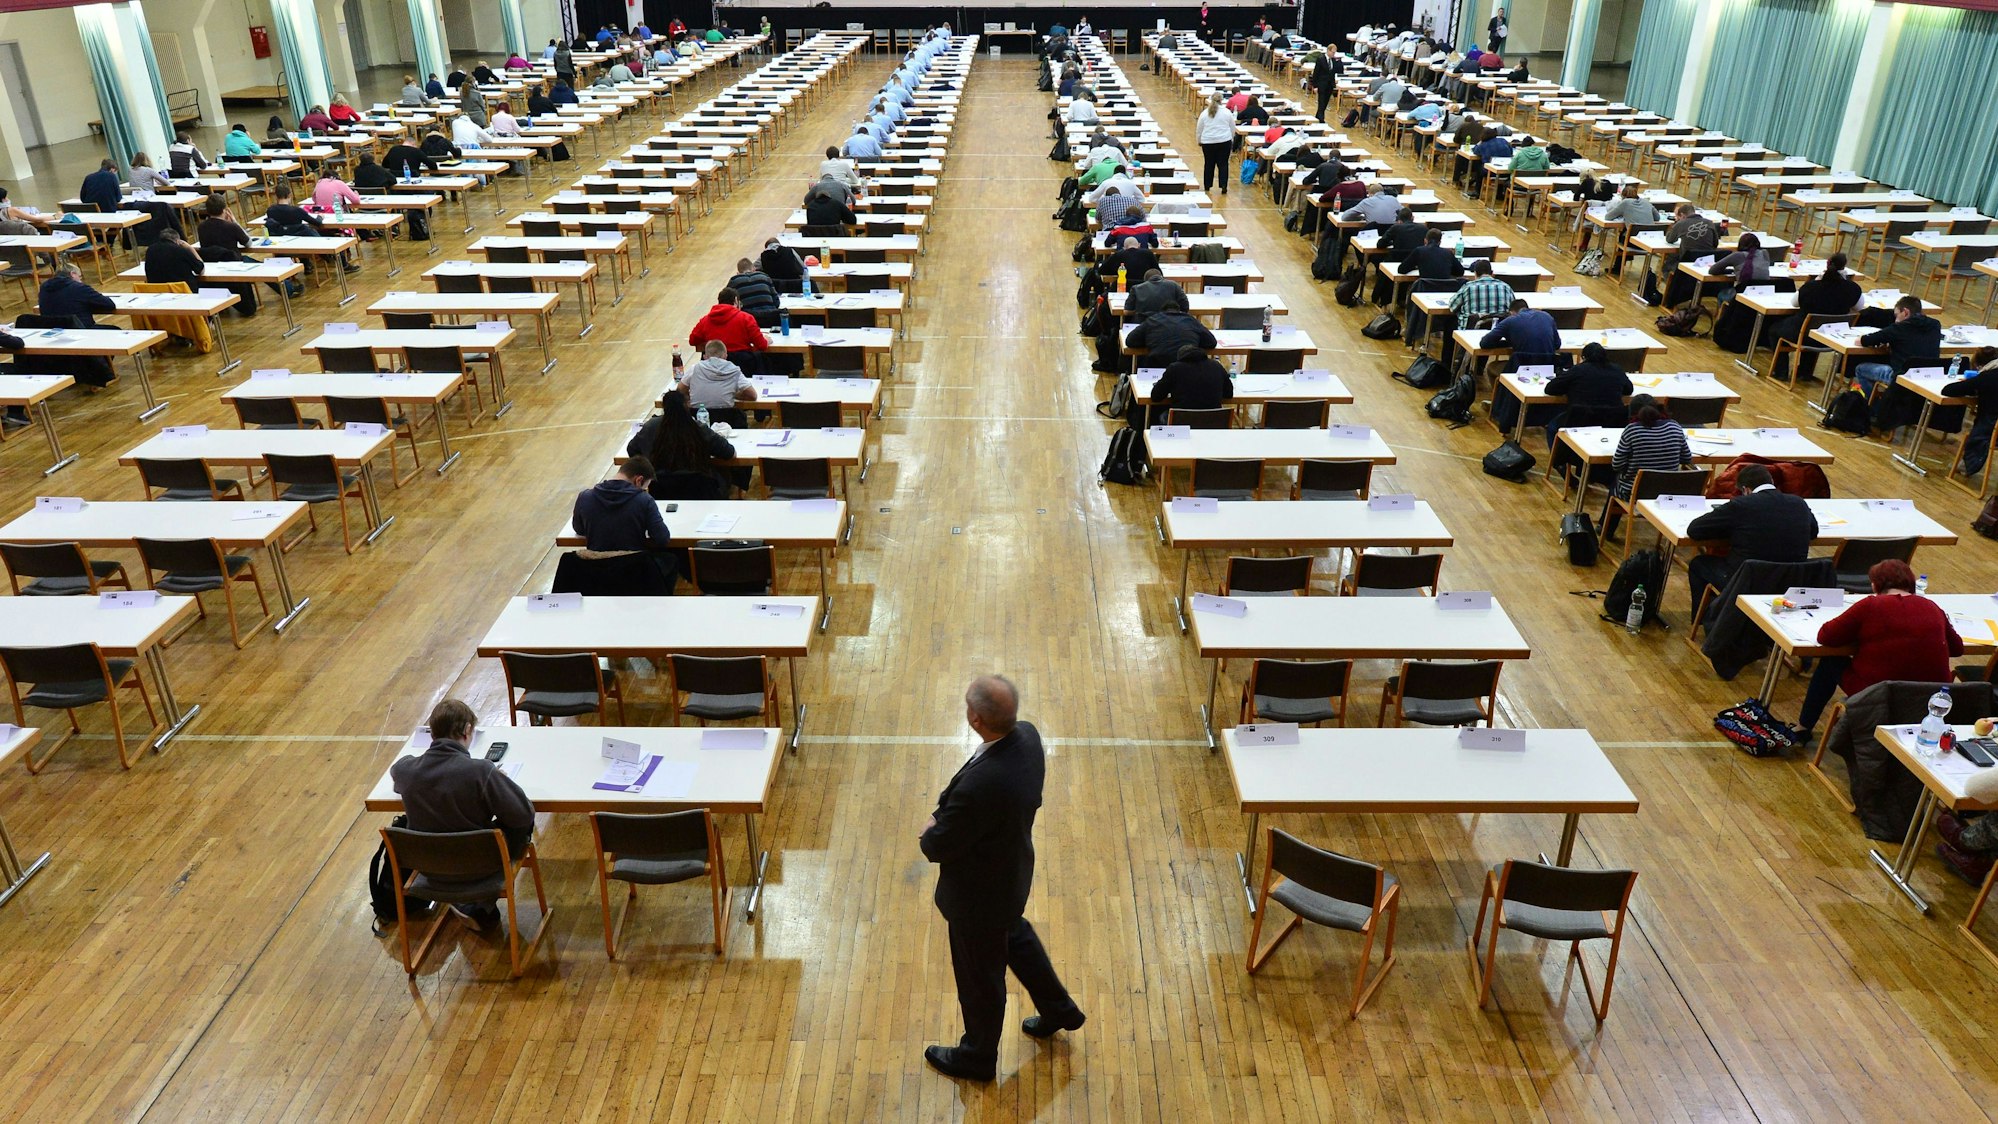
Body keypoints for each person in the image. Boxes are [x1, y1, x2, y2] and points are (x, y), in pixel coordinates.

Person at [920, 675, 1084, 1083]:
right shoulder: (1027, 737)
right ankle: (1058, 1009)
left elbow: (936, 846)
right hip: (1010, 874)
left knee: (980, 979)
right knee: (1016, 937)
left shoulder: (982, 786)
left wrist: (932, 827)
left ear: (975, 718)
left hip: (978, 898)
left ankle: (977, 1057)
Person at [389, 698, 536, 933]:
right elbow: (523, 815)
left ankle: (474, 907)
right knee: (519, 818)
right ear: (467, 730)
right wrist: (501, 781)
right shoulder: (481, 771)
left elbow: (396, 772)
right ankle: (478, 902)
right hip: (480, 866)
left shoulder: (407, 770)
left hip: (430, 865)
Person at [1793, 560, 1963, 735]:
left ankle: (1803, 728)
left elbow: (1825, 636)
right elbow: (1957, 649)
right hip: (1929, 698)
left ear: (1875, 586)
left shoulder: (1870, 605)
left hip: (1880, 695)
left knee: (1830, 662)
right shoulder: (1932, 607)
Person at [1683, 463, 1818, 620]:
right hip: (1790, 580)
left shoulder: (1741, 505)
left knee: (1699, 564)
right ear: (1771, 483)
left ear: (1746, 490)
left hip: (1747, 580)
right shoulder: (1799, 503)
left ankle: (1710, 619)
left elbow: (1695, 530)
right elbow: (1813, 532)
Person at [569, 455, 677, 592]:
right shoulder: (644, 500)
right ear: (639, 480)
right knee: (670, 560)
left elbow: (579, 529)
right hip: (632, 572)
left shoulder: (585, 497)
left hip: (596, 572)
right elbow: (662, 539)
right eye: (644, 487)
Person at [627, 389, 737, 499]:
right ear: (686, 405)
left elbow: (631, 450)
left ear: (664, 407)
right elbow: (729, 452)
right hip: (699, 490)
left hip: (662, 490)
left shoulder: (650, 426)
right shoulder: (697, 427)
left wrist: (649, 460)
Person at [1603, 396, 1691, 532]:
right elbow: (1686, 458)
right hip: (1668, 492)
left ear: (1632, 413)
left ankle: (1606, 530)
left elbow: (1616, 465)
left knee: (1616, 482)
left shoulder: (1631, 430)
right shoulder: (1674, 426)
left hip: (1634, 493)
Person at [1770, 251, 1860, 381]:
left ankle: (1781, 372)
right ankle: (1805, 372)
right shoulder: (1853, 288)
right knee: (1814, 326)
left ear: (1827, 264)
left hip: (1804, 333)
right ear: (1844, 267)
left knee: (1775, 330)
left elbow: (1794, 303)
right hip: (1832, 335)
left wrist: (1817, 279)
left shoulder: (1811, 286)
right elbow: (1858, 307)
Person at [1855, 294, 1942, 400]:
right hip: (1930, 375)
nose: (1896, 320)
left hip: (1903, 376)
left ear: (1905, 312)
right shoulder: (1935, 325)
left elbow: (1863, 340)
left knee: (1861, 369)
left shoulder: (1898, 328)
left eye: (1896, 315)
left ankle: (1874, 407)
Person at [194, 195, 263, 315]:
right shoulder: (231, 226)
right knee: (261, 267)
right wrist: (236, 223)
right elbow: (248, 243)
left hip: (212, 266)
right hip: (234, 265)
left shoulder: (201, 227)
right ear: (224, 210)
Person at [1145, 343, 1232, 426]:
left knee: (1162, 416)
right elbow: (1229, 394)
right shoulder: (1216, 366)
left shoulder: (1175, 368)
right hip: (1213, 422)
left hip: (1182, 423)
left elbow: (1156, 396)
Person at [677, 339, 759, 425]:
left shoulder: (695, 368)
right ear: (725, 356)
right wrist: (735, 395)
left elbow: (680, 390)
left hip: (698, 420)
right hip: (727, 419)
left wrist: (690, 399)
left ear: (705, 357)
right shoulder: (734, 370)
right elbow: (752, 395)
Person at [688, 287, 770, 371]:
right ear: (735, 300)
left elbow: (692, 341)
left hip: (713, 368)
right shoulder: (746, 318)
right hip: (743, 366)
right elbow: (762, 345)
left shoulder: (705, 320)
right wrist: (767, 340)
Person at [1945, 346, 1998, 476]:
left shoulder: (1987, 377)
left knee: (1982, 429)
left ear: (1980, 366)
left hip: (1992, 430)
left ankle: (1967, 466)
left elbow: (1948, 390)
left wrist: (1972, 383)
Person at [1126, 307, 1216, 372]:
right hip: (1188, 366)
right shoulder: (1191, 320)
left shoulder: (1152, 320)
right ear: (1180, 311)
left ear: (1162, 312)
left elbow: (1130, 341)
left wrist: (1148, 341)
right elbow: (1211, 342)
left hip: (1157, 366)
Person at [1479, 298, 1559, 367]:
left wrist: (1507, 343)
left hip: (1522, 368)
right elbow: (1557, 344)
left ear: (1511, 312)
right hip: (1549, 367)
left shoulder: (1510, 320)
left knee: (1492, 367)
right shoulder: (1547, 316)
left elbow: (1485, 343)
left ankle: (1502, 385)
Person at [38, 262, 115, 325]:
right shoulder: (79, 288)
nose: (81, 281)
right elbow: (109, 305)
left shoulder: (44, 287)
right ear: (73, 274)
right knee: (115, 330)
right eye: (80, 277)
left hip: (53, 330)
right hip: (80, 329)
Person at [1712, 231, 1770, 301]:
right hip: (1763, 292)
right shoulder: (1765, 253)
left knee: (1722, 294)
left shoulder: (1737, 255)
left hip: (1743, 292)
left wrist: (1728, 270)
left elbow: (1713, 270)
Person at [1196, 92, 1234, 195]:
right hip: (1224, 141)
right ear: (1221, 100)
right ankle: (1224, 185)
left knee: (1209, 164)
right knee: (1223, 164)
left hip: (1208, 142)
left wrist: (1199, 140)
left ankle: (1207, 185)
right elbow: (1232, 128)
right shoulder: (1227, 112)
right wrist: (1231, 140)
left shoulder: (1204, 113)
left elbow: (1199, 129)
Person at [727, 257, 781, 327]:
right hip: (770, 319)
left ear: (738, 273)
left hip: (747, 322)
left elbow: (727, 305)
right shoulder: (765, 276)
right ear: (754, 269)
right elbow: (777, 302)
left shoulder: (734, 281)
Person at [1311, 51, 1341, 122]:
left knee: (1325, 103)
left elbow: (1334, 72)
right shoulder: (1321, 59)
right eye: (1333, 52)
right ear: (1329, 51)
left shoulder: (1333, 60)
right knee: (1321, 102)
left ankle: (1318, 116)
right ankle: (1321, 120)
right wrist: (1315, 86)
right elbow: (1316, 73)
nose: (1334, 54)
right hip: (1321, 85)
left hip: (1330, 85)